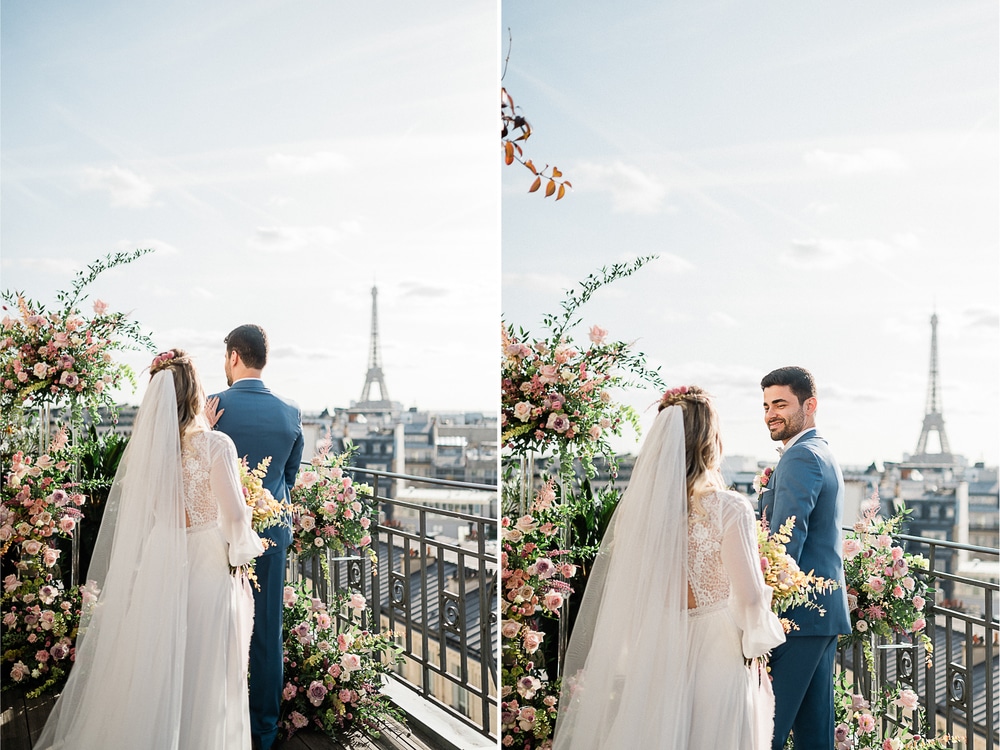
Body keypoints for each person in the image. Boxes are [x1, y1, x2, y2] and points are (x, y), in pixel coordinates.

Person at [35, 349, 265, 749]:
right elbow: (233, 515)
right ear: (196, 394)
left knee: (161, 661)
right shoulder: (217, 445)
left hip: (162, 560)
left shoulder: (150, 453)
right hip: (207, 561)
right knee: (204, 664)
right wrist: (243, 551)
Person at [552, 386, 786, 750]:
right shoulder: (729, 508)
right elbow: (753, 599)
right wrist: (759, 640)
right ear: (710, 440)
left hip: (660, 645)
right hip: (718, 647)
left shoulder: (639, 511)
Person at [207, 324, 304, 750]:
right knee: (267, 630)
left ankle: (213, 722)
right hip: (271, 533)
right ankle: (262, 731)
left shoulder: (213, 406)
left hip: (219, 534)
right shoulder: (290, 411)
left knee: (214, 625)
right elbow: (288, 477)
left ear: (233, 356)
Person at [759, 366, 851, 750]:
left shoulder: (800, 458)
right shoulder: (821, 452)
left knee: (767, 730)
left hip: (796, 616)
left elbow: (785, 544)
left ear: (809, 405)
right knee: (815, 734)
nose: (770, 414)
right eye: (765, 405)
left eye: (780, 403)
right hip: (821, 614)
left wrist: (762, 604)